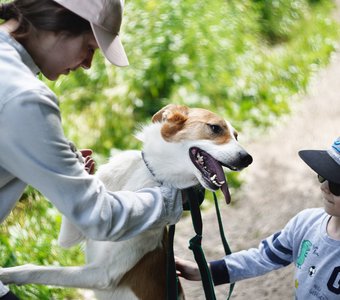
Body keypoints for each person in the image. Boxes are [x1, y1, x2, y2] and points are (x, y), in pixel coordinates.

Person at [0, 0, 183, 299]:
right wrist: (170, 200)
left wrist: (60, 169)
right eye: (90, 47)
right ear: (61, 23)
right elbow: (96, 217)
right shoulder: (25, 97)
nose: (87, 64)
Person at [176, 137, 340, 299]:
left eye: (336, 185)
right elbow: (262, 257)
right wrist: (204, 271)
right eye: (322, 176)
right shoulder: (306, 223)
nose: (323, 187)